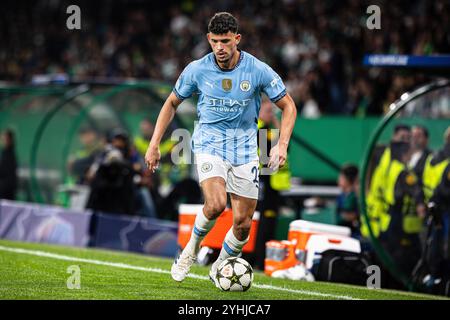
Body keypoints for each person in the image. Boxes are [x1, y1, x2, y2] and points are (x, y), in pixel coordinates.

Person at [144, 12, 297, 285]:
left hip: (247, 149)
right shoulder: (197, 69)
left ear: (237, 39)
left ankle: (221, 265)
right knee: (215, 205)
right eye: (214, 41)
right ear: (208, 39)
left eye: (225, 41)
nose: (220, 48)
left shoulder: (258, 70)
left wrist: (281, 145)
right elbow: (170, 103)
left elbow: (289, 106)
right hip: (209, 143)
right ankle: (190, 250)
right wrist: (154, 144)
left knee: (243, 224)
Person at [336, 164, 360, 238]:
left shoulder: (354, 197)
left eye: (341, 177)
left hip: (352, 235)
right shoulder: (341, 195)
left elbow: (353, 216)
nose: (338, 180)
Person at [0, 129, 18, 200]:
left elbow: (7, 173)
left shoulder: (10, 155)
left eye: (5, 138)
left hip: (7, 192)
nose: (3, 140)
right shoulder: (4, 153)